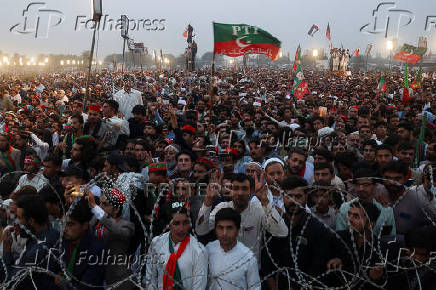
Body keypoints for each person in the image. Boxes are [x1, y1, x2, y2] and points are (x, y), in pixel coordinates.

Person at [196, 173, 288, 263]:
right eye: (236, 188)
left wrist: (265, 202)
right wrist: (208, 200)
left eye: (244, 189)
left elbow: (281, 232)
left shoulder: (259, 209)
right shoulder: (222, 208)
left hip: (252, 270)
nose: (240, 193)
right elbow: (201, 230)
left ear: (251, 191)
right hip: (225, 268)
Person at [145, 201, 208, 289]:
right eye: (176, 223)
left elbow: (199, 286)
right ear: (168, 225)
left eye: (185, 223)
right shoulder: (157, 243)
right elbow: (150, 278)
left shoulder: (199, 250)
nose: (181, 228)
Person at [1, 194, 59, 288]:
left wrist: (6, 249)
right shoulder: (53, 233)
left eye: (19, 218)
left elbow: (11, 281)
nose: (16, 223)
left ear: (31, 221)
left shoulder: (37, 250)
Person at [86, 187, 136, 289]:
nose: (100, 207)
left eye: (105, 204)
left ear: (116, 209)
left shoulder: (127, 225)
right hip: (96, 276)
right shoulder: (95, 221)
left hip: (119, 280)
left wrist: (95, 207)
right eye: (99, 203)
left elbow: (115, 228)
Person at [207, 207, 261, 290]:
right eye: (220, 228)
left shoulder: (248, 257)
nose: (224, 233)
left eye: (229, 228)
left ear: (238, 230)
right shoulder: (208, 250)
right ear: (215, 229)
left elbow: (255, 287)